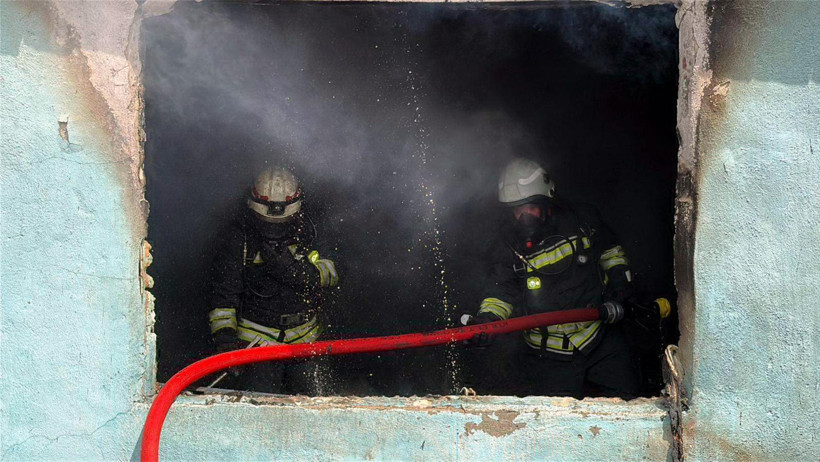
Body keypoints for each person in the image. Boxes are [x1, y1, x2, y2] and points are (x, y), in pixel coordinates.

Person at [468, 158, 638, 398]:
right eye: (517, 210)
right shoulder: (506, 247)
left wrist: (621, 282)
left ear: (547, 201)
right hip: (547, 357)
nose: (524, 217)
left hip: (600, 340)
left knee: (627, 408)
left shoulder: (583, 220)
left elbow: (610, 251)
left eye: (530, 207)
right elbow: (501, 292)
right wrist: (486, 321)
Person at [207, 166, 339, 394]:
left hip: (307, 342)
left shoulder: (310, 232)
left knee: (318, 405)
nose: (274, 229)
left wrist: (293, 271)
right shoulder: (240, 240)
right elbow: (224, 297)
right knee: (261, 406)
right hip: (257, 344)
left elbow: (333, 274)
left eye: (282, 223)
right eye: (266, 222)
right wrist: (226, 341)